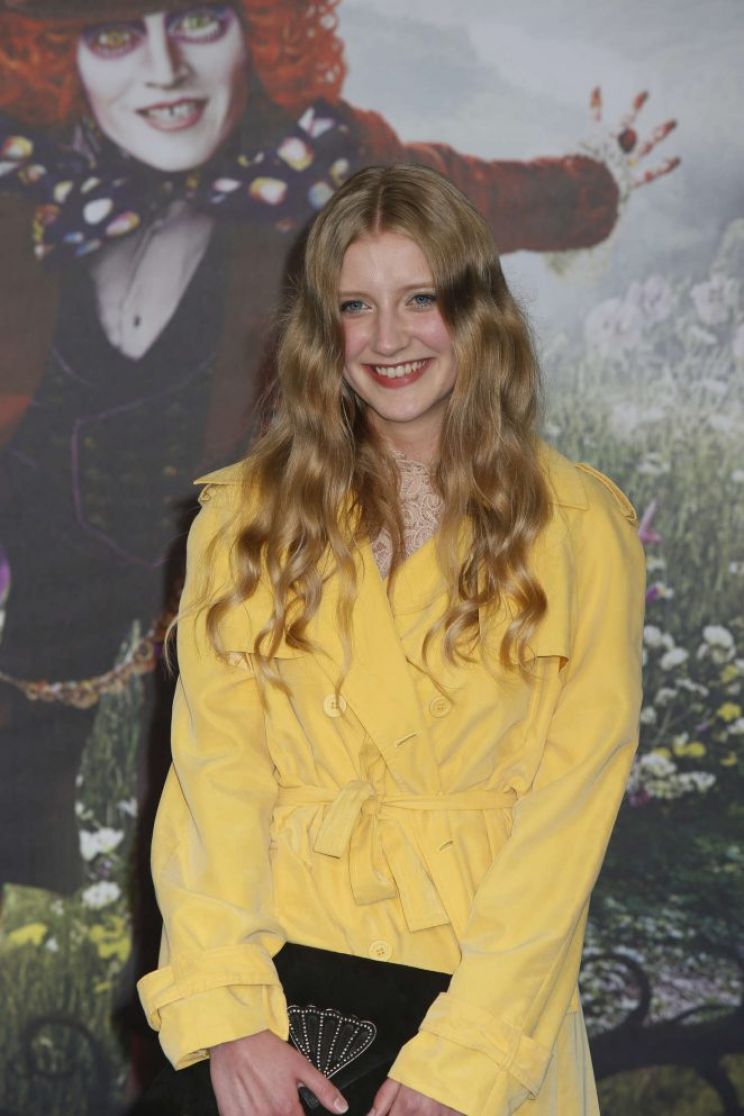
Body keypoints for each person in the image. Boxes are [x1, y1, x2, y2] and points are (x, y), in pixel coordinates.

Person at [0, 0, 670, 900]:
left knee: (213, 820)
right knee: (19, 798)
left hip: (236, 564)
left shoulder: (322, 163)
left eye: (196, 22)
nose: (164, 70)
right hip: (47, 549)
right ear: (59, 55)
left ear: (257, 31)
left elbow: (476, 196)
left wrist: (595, 184)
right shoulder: (22, 177)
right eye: (116, 36)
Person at [137, 162, 645, 1116]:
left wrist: (464, 1059)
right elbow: (214, 783)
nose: (388, 338)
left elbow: (568, 821)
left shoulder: (579, 528)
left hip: (485, 1004)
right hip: (276, 1000)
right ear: (321, 330)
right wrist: (233, 1021)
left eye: (420, 298)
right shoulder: (243, 519)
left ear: (477, 310)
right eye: (355, 306)